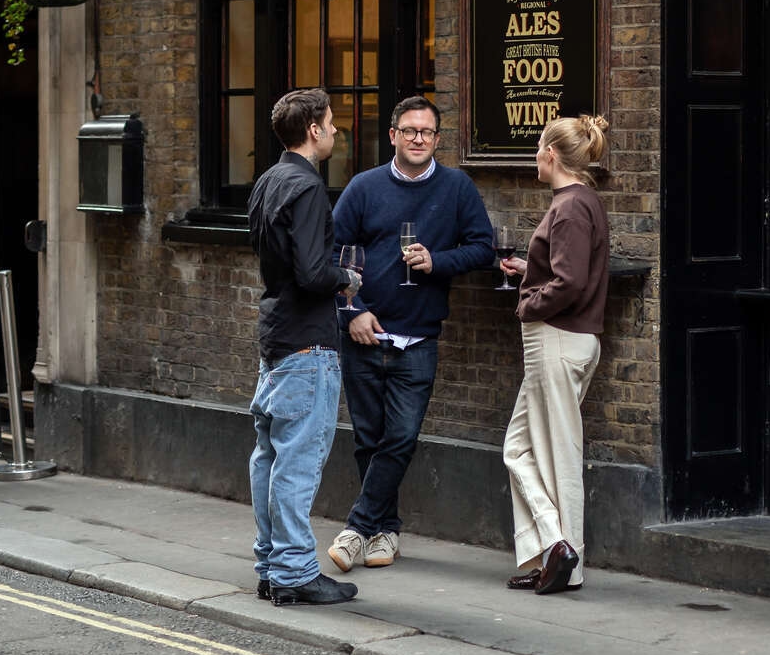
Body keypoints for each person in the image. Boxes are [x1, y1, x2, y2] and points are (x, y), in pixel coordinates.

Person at [325, 97, 496, 573]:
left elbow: (482, 248)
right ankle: (385, 530)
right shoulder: (363, 188)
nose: (418, 139)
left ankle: (358, 527)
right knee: (368, 439)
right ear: (394, 136)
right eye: (409, 130)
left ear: (438, 139)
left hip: (418, 336)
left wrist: (438, 261)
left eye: (427, 132)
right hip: (364, 335)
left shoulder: (457, 187)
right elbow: (335, 256)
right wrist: (351, 312)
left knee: (400, 437)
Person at [246, 88, 362, 607]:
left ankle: (271, 565)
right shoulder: (309, 187)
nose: (337, 131)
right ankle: (293, 571)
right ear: (313, 130)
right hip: (308, 342)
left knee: (268, 458)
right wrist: (347, 278)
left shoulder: (268, 182)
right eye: (332, 124)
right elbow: (314, 272)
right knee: (295, 462)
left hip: (275, 336)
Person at [495, 115, 611, 596]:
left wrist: (527, 300)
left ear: (551, 155)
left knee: (560, 455)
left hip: (557, 338)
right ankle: (555, 551)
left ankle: (565, 555)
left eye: (538, 147)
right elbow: (565, 271)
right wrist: (530, 269)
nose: (534, 156)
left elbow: (569, 283)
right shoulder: (581, 203)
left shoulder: (569, 207)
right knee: (518, 449)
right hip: (567, 340)